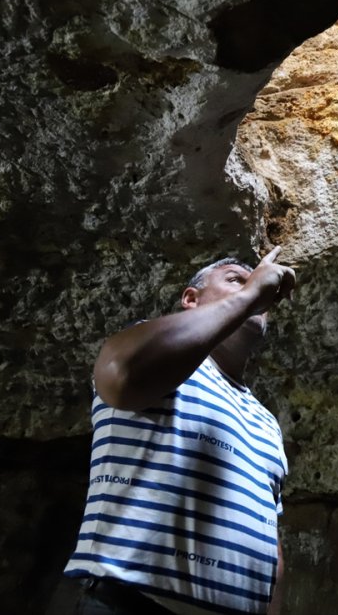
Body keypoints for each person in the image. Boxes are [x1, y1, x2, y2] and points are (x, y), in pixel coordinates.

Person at [54, 246, 297, 615]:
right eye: (236, 279)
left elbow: (268, 535)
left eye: (253, 284)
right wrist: (250, 296)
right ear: (190, 298)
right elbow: (123, 374)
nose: (252, 287)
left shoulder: (266, 420)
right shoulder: (157, 356)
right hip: (133, 604)